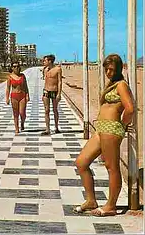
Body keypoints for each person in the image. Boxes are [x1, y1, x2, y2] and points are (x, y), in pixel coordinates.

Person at [74, 54, 134, 217]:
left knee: (112, 167)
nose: (108, 72)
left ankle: (110, 206)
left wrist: (122, 125)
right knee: (81, 163)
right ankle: (91, 200)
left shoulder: (121, 85)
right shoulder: (112, 84)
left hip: (112, 129)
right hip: (101, 128)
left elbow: (129, 108)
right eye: (106, 69)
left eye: (111, 69)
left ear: (118, 69)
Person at [5, 62, 30, 135]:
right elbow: (8, 88)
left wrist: (27, 95)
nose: (16, 68)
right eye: (14, 66)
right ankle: (17, 128)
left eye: (17, 66)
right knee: (15, 114)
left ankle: (22, 122)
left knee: (22, 113)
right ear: (12, 68)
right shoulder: (10, 77)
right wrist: (7, 98)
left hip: (22, 95)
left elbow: (26, 86)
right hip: (14, 96)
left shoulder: (23, 76)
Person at [42, 54, 62, 135]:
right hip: (46, 91)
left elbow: (60, 82)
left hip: (54, 91)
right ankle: (47, 129)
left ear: (50, 61)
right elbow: (46, 81)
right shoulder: (45, 69)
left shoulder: (58, 69)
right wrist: (43, 93)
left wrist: (59, 94)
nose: (44, 62)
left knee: (55, 110)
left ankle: (56, 127)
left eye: (45, 61)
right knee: (46, 110)